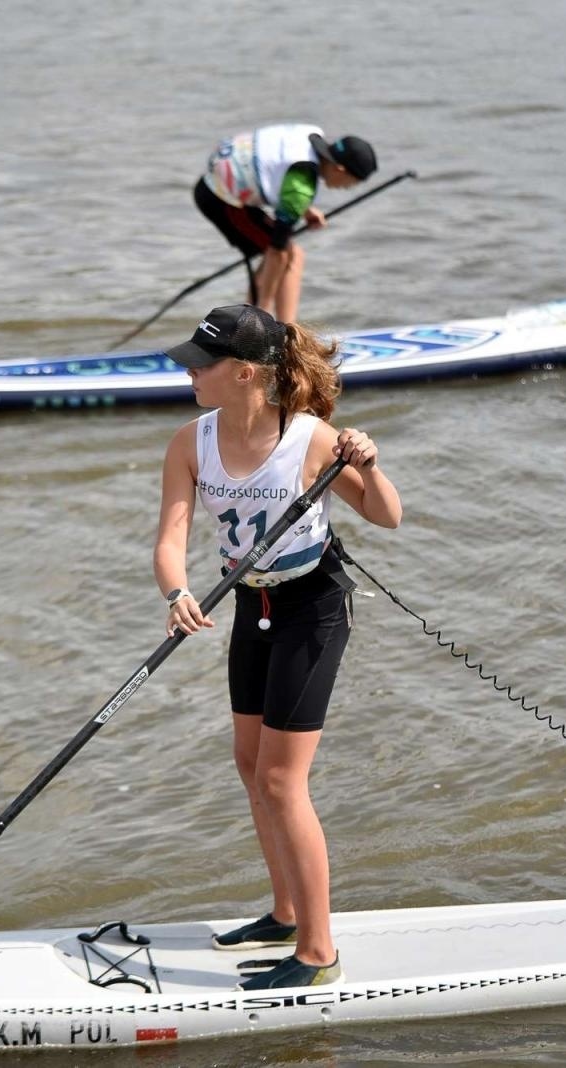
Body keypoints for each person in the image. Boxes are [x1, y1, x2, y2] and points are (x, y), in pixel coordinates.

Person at [152, 303, 402, 989]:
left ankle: (319, 954)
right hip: (250, 603)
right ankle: (285, 914)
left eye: (201, 364)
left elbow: (387, 516)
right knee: (248, 763)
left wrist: (370, 465)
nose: (189, 372)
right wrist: (178, 594)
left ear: (243, 374)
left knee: (281, 779)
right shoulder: (190, 442)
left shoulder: (311, 439)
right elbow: (170, 542)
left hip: (312, 606)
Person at [194, 124, 377, 323]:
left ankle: (276, 329)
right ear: (340, 169)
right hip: (220, 200)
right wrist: (264, 305)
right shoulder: (300, 189)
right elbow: (276, 251)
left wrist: (303, 209)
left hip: (218, 180)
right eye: (353, 182)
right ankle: (266, 329)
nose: (348, 188)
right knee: (289, 256)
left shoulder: (310, 134)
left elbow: (275, 166)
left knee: (290, 254)